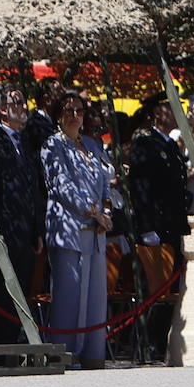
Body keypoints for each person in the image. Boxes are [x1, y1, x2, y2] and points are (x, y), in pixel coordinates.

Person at [41, 92, 113, 369]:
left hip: (96, 232)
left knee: (95, 297)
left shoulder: (94, 145)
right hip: (68, 229)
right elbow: (61, 186)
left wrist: (106, 212)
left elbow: (106, 183)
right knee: (69, 296)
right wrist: (92, 211)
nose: (74, 116)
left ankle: (93, 354)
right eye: (68, 111)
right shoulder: (52, 145)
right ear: (59, 115)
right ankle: (65, 355)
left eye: (79, 111)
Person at [0, 82, 45, 344]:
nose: (23, 107)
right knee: (0, 290)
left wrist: (37, 229)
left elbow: (34, 188)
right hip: (2, 231)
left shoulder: (27, 144)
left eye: (23, 101)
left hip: (26, 231)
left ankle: (14, 342)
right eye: (17, 102)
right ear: (3, 110)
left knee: (22, 288)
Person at [128, 92, 191, 256]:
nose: (179, 112)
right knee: (159, 280)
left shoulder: (170, 144)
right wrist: (147, 228)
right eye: (172, 107)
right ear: (157, 113)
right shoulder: (145, 143)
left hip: (173, 224)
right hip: (157, 224)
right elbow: (140, 187)